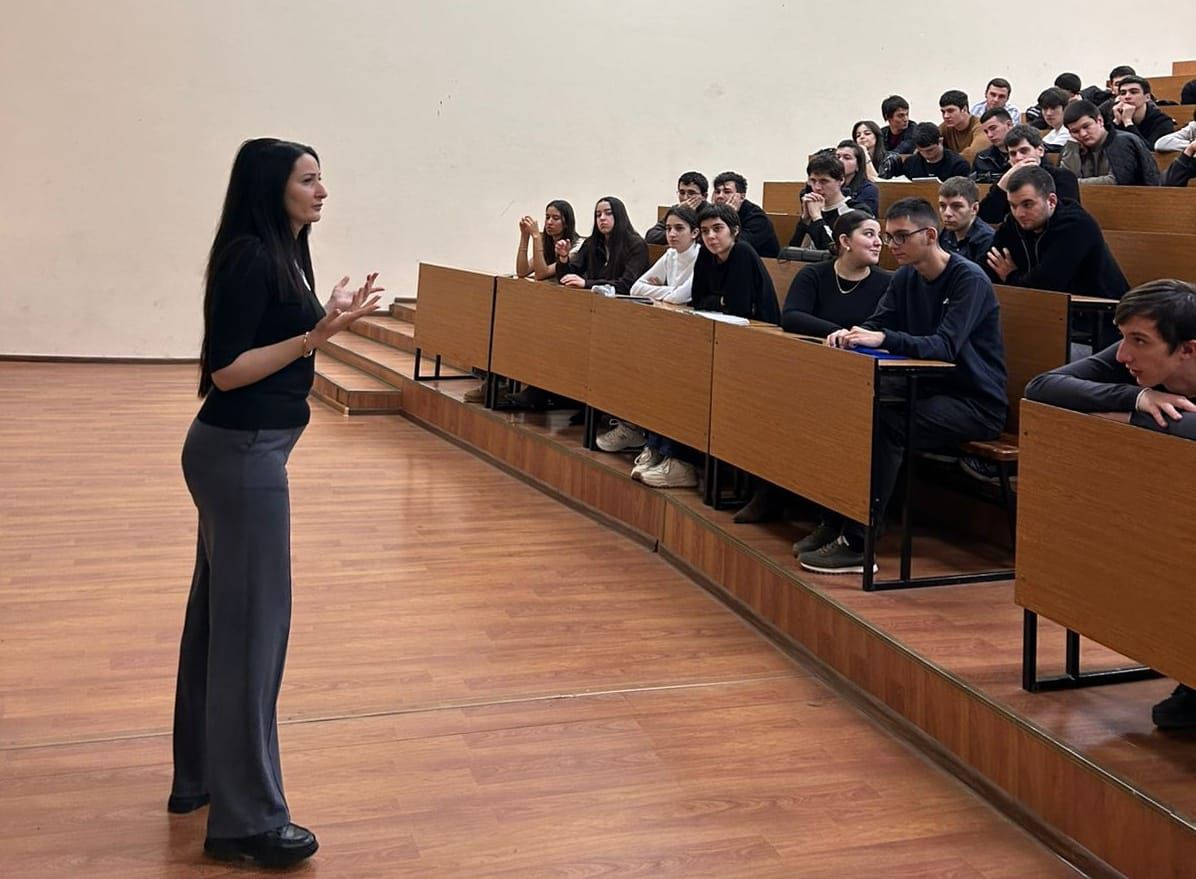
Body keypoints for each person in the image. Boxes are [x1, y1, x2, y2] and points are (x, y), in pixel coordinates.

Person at [172, 138, 382, 868]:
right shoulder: (251, 257)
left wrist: (324, 322)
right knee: (252, 634)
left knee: (221, 622)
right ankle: (246, 820)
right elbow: (225, 371)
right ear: (272, 188)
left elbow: (277, 339)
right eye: (308, 179)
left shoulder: (282, 253)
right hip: (240, 456)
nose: (323, 190)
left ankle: (201, 778)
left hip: (244, 456)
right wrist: (315, 337)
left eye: (322, 176)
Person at [1023, 278, 1196, 730]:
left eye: (1139, 341)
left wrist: (1128, 418)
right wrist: (1136, 398)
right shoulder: (1135, 363)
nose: (1122, 355)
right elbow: (1042, 388)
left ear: (1188, 350)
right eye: (1124, 338)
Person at [800, 198, 1007, 574]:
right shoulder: (907, 277)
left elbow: (945, 346)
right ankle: (835, 518)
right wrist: (852, 335)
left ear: (929, 235)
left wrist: (883, 338)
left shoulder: (968, 279)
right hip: (927, 391)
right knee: (853, 410)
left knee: (887, 423)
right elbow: (878, 323)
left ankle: (860, 542)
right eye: (887, 236)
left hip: (974, 403)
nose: (890, 245)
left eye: (899, 237)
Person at [597, 205, 702, 459]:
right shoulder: (670, 256)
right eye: (668, 229)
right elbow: (636, 288)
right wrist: (669, 293)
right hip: (666, 327)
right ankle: (635, 429)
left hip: (690, 335)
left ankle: (656, 444)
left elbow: (681, 296)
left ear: (695, 232)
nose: (672, 235)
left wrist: (666, 292)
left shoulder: (701, 256)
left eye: (679, 229)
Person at [984, 166, 1128, 300]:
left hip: (1097, 313)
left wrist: (1010, 276)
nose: (1019, 213)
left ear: (1051, 201)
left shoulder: (1076, 225)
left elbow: (1045, 287)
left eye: (1028, 204)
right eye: (1013, 206)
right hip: (1048, 310)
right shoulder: (1013, 223)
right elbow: (988, 270)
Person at [782, 210, 891, 337]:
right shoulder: (813, 274)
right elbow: (791, 316)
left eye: (878, 235)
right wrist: (837, 332)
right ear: (845, 241)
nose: (878, 242)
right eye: (869, 234)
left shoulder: (887, 283)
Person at [691, 203, 780, 322]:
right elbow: (697, 300)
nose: (710, 236)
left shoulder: (742, 252)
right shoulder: (705, 252)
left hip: (758, 326)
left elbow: (739, 308)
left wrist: (714, 301)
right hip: (720, 320)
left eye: (717, 228)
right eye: (705, 231)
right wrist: (722, 301)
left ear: (735, 230)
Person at [978, 125, 1081, 225]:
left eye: (1024, 151)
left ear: (1040, 151)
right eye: (1013, 154)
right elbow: (988, 217)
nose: (1018, 158)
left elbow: (1067, 217)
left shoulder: (1063, 177)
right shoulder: (1006, 180)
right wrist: (1003, 183)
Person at [555, 196, 649, 294]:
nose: (602, 218)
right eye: (598, 215)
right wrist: (563, 258)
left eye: (608, 213)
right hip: (594, 301)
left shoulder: (637, 245)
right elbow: (566, 278)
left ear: (619, 216)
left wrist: (587, 284)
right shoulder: (591, 243)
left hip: (626, 303)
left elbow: (627, 284)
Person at [1061, 100, 1160, 186]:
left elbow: (1117, 181)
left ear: (1100, 121)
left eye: (1086, 126)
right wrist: (1072, 148)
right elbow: (1065, 181)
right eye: (1075, 131)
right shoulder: (1074, 145)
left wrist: (1073, 183)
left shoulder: (1122, 141)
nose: (1082, 134)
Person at [788, 154, 866, 249]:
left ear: (841, 180)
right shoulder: (813, 208)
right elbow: (793, 252)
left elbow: (834, 252)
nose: (817, 187)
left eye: (824, 181)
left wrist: (817, 218)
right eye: (813, 181)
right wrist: (805, 220)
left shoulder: (855, 211)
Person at [710, 171, 779, 258]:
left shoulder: (757, 217)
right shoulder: (713, 213)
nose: (720, 196)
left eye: (727, 192)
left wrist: (728, 216)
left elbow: (737, 246)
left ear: (742, 197)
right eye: (717, 192)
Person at [515, 200, 581, 280]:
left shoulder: (577, 246)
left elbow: (541, 274)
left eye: (555, 218)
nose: (549, 222)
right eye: (547, 217)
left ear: (567, 223)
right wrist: (524, 236)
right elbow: (522, 272)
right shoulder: (548, 243)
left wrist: (536, 237)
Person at [937, 176, 994, 266]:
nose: (947, 213)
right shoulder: (944, 234)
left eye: (957, 206)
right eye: (942, 205)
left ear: (974, 208)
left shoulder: (987, 240)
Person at [1110, 76, 1177, 147]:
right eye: (1123, 93)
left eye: (1133, 92)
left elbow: (1149, 151)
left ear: (1147, 97)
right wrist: (1115, 122)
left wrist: (1128, 123)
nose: (1127, 96)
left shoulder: (1163, 122)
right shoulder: (1115, 116)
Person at [644, 172, 708, 244]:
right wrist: (675, 233)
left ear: (704, 196)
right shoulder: (676, 210)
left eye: (691, 193)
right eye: (682, 193)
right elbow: (651, 236)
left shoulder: (710, 212)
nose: (685, 198)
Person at [902, 122, 972, 181]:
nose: (926, 154)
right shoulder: (910, 163)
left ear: (940, 141)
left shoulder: (958, 165)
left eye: (930, 150)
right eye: (921, 150)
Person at [939, 90, 988, 163]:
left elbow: (973, 154)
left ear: (964, 109)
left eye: (950, 111)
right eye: (943, 112)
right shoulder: (945, 126)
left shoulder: (981, 126)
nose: (946, 116)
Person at [836, 140, 880, 215]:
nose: (840, 161)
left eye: (847, 158)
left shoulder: (868, 189)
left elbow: (859, 219)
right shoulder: (830, 185)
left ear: (858, 165)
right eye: (837, 157)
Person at [971, 108, 1015, 182]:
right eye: (986, 131)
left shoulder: (1026, 153)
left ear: (1009, 125)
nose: (989, 135)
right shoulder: (982, 158)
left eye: (993, 128)